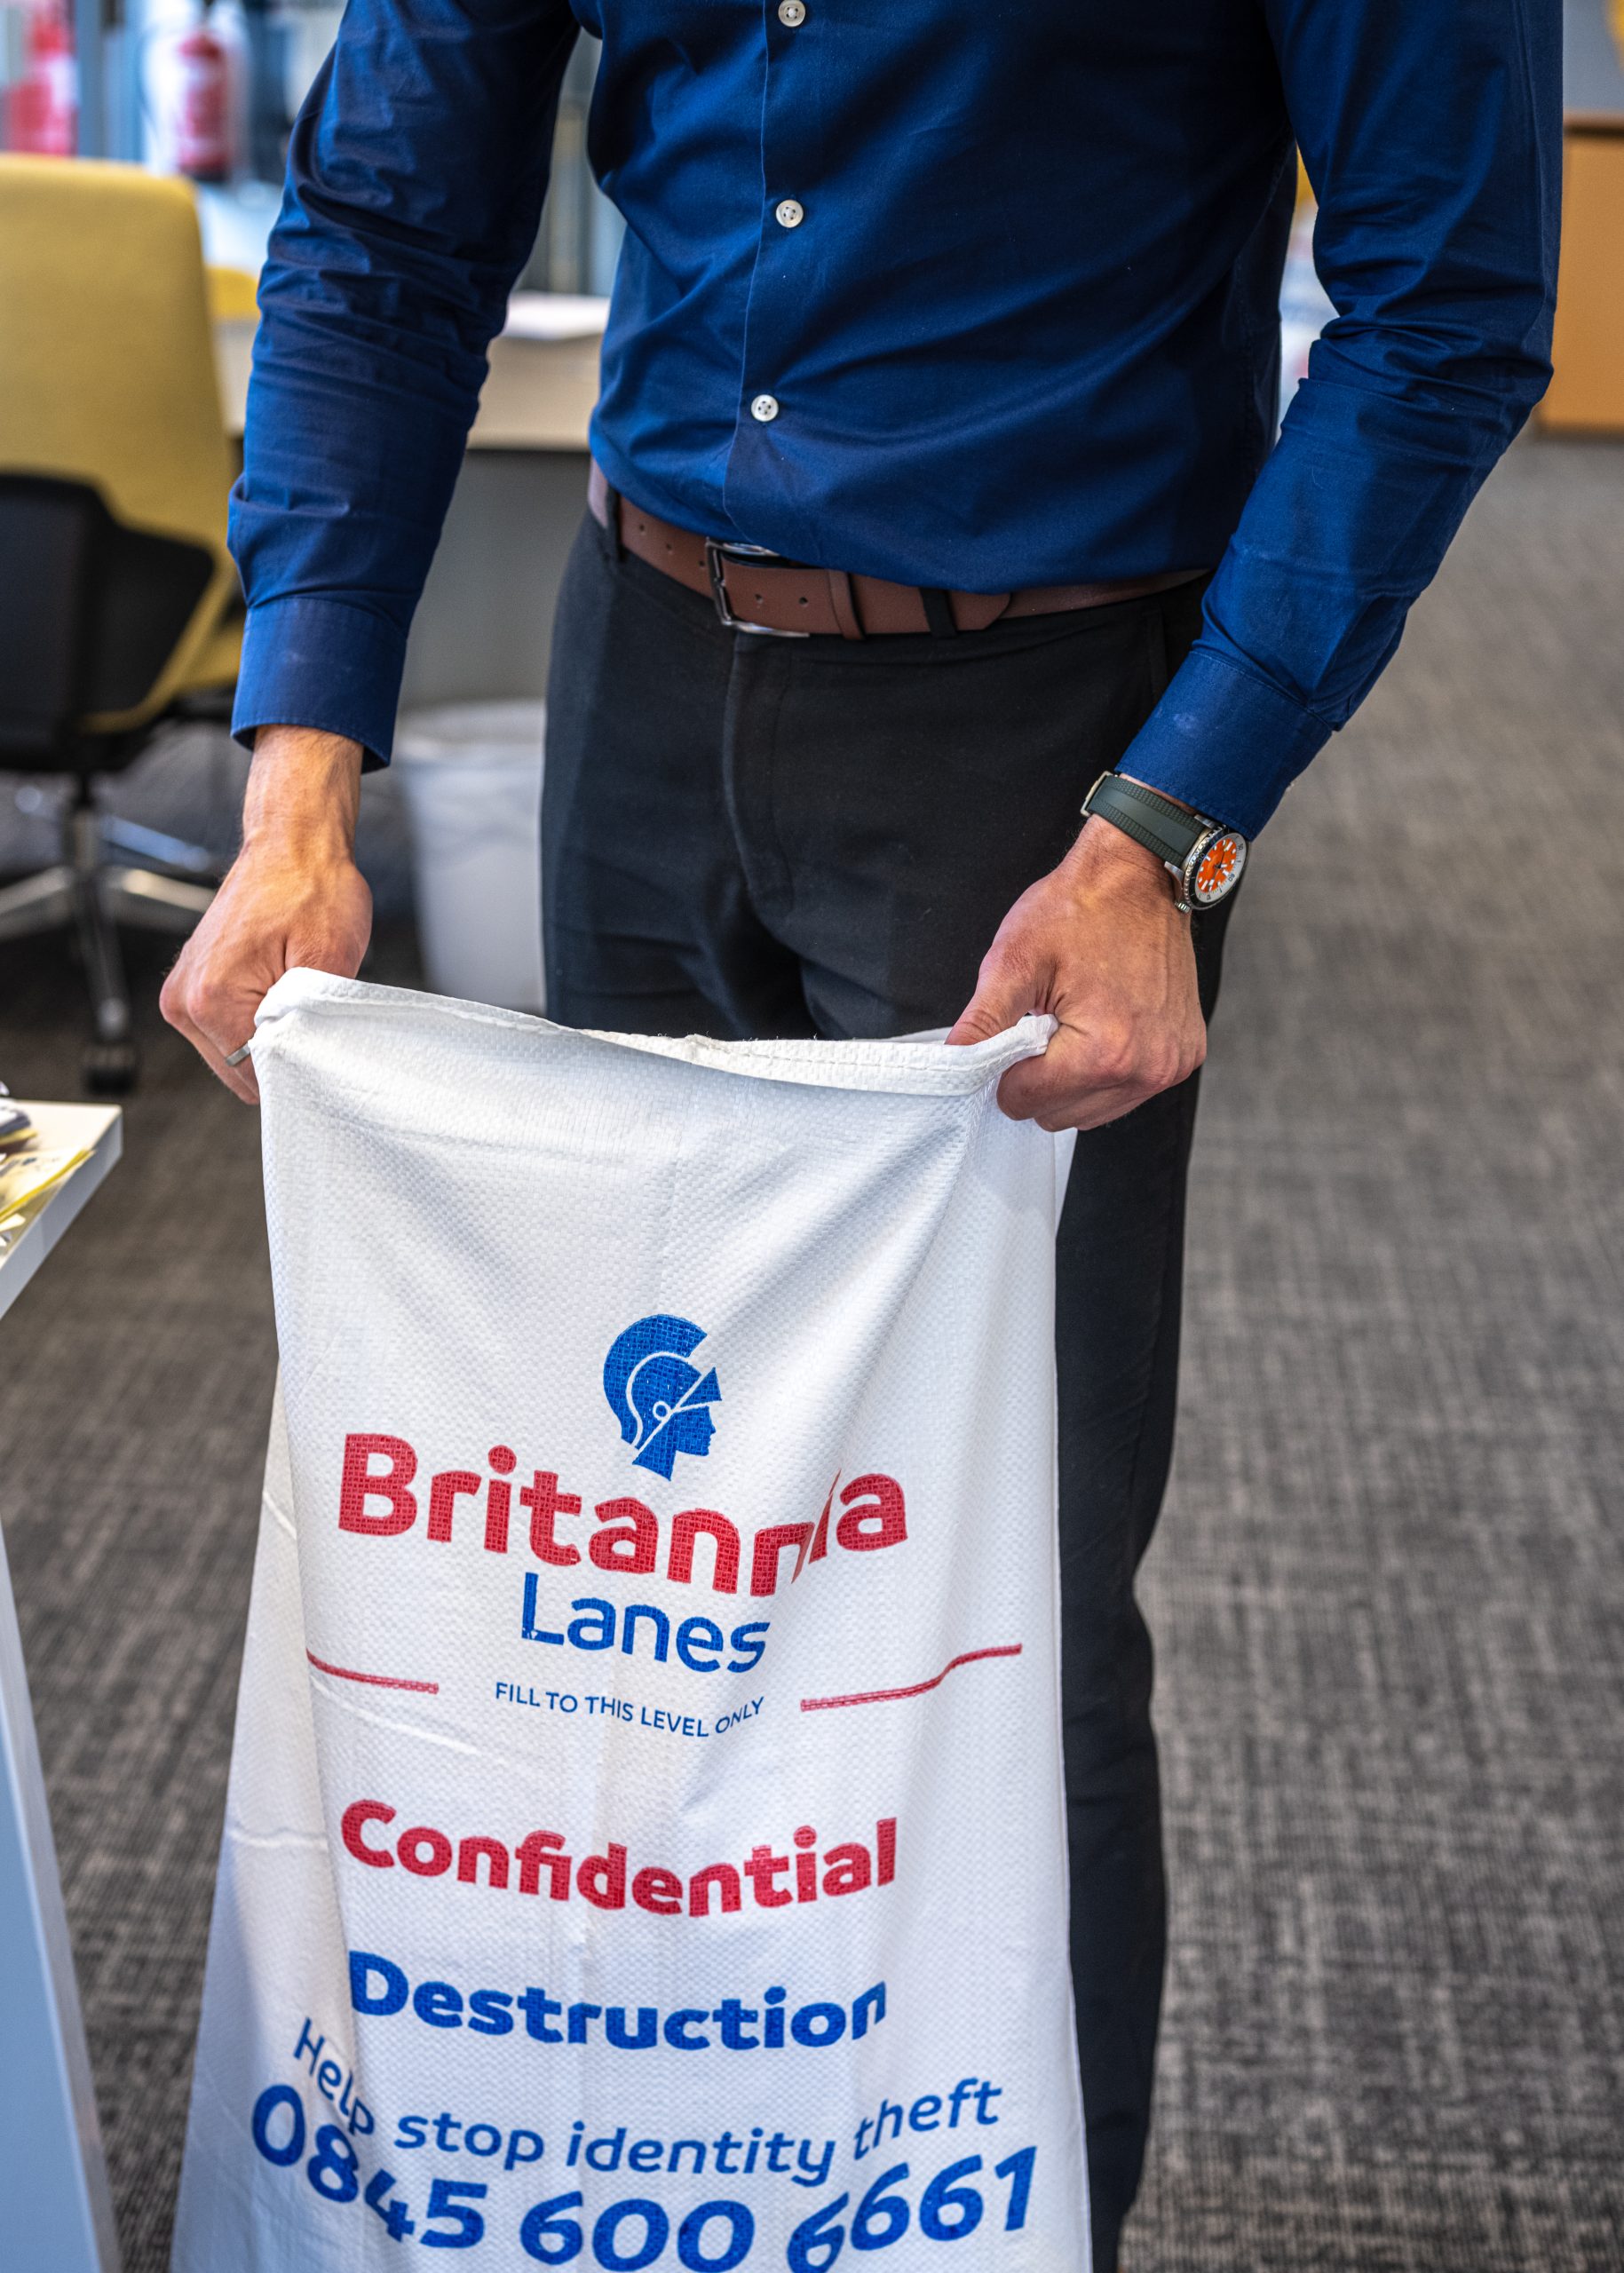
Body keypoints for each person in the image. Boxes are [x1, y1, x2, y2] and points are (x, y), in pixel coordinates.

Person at [161, 5, 1558, 2260]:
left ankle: (1007, 2219)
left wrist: (1172, 827)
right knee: (629, 1563)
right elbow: (389, 216)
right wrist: (300, 775)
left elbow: (1448, 299)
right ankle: (657, 2169)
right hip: (641, 680)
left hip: (1046, 754)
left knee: (998, 1585)